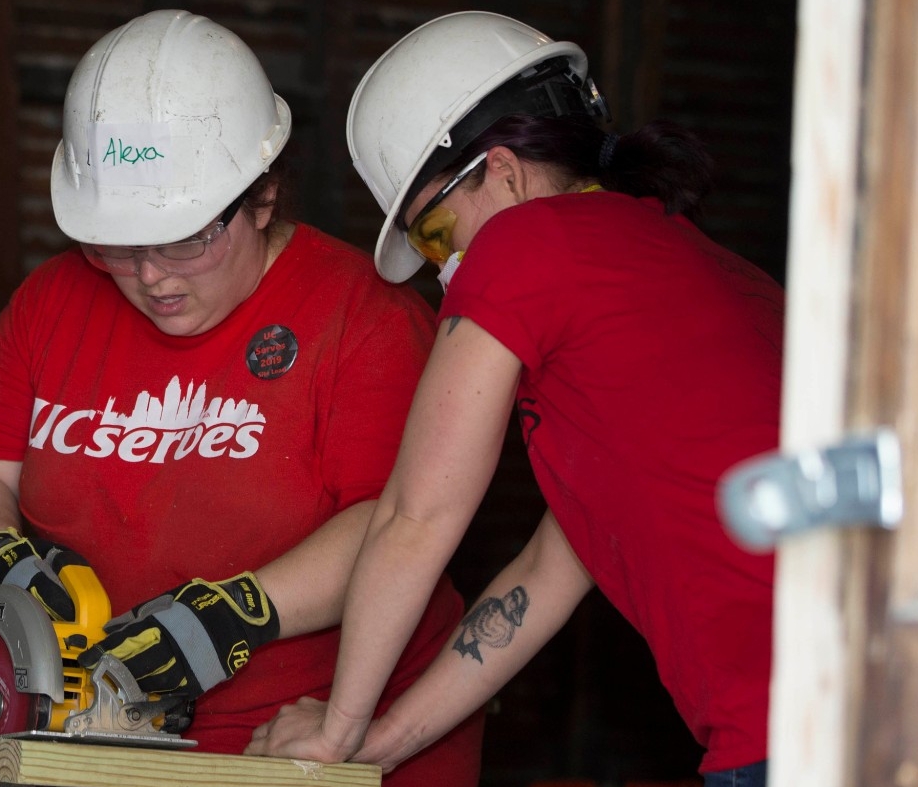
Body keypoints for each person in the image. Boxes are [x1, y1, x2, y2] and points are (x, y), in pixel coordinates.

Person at [0, 9, 483, 785]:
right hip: (103, 745)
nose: (152, 274)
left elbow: (404, 519)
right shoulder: (53, 302)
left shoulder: (366, 318)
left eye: (188, 237)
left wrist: (232, 614)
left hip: (315, 743)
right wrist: (3, 559)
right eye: (117, 243)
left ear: (263, 195)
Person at [246, 11, 781, 787]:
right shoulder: (690, 267)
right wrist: (381, 742)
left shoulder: (523, 243)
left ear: (502, 170)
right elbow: (543, 576)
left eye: (433, 232)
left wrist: (334, 728)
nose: (444, 266)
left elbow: (417, 515)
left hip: (794, 724)